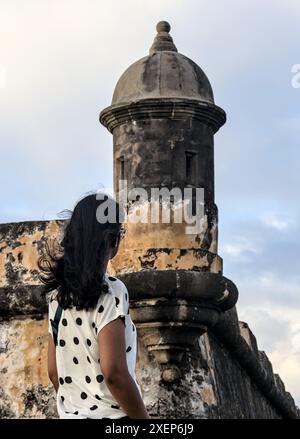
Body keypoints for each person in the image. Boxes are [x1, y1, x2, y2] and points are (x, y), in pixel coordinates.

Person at [38, 193, 150, 419]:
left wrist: (77, 409)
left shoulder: (56, 297)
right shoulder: (112, 292)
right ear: (111, 241)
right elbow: (114, 373)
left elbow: (53, 371)